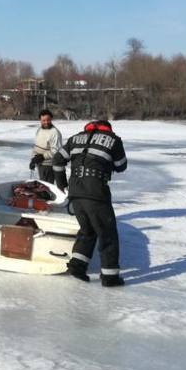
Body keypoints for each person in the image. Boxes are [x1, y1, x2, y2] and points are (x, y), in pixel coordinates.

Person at [52, 119, 128, 287]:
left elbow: (57, 160)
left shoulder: (75, 138)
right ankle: (110, 277)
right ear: (108, 129)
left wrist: (62, 184)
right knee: (107, 234)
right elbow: (121, 165)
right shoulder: (113, 140)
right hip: (96, 193)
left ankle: (77, 267)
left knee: (87, 231)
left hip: (75, 192)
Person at [29, 108, 62, 183]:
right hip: (40, 164)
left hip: (49, 165)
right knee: (41, 186)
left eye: (48, 120)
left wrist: (42, 156)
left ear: (51, 119)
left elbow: (56, 151)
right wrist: (33, 160)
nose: (46, 122)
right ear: (40, 120)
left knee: (46, 187)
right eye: (43, 120)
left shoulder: (55, 133)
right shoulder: (39, 130)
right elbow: (36, 146)